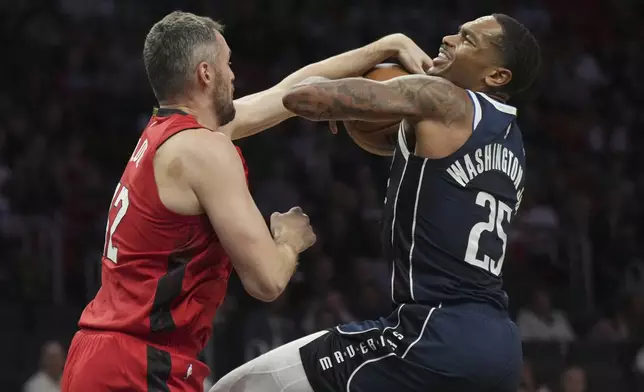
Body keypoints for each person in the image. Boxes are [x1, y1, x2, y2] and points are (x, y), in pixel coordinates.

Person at [60, 10, 432, 392]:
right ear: (206, 73)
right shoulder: (204, 150)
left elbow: (287, 92)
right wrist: (289, 239)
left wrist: (388, 45)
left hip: (101, 355)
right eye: (228, 64)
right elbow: (267, 280)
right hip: (137, 365)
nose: (234, 75)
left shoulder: (169, 136)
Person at [210, 13, 540, 392]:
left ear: (496, 76)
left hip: (432, 334)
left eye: (467, 40)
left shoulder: (443, 98)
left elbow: (304, 97)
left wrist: (341, 101)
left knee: (238, 387)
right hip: (500, 347)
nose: (448, 38)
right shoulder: (513, 146)